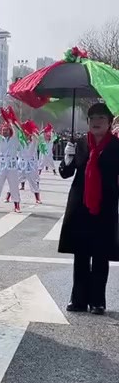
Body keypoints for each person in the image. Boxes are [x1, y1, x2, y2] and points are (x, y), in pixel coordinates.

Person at [59, 103, 119, 315]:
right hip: (80, 206)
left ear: (110, 123)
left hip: (105, 206)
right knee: (81, 255)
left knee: (100, 255)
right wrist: (67, 158)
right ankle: (78, 299)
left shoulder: (116, 146)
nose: (96, 121)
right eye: (92, 117)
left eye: (101, 117)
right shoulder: (81, 144)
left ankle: (98, 301)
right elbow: (66, 173)